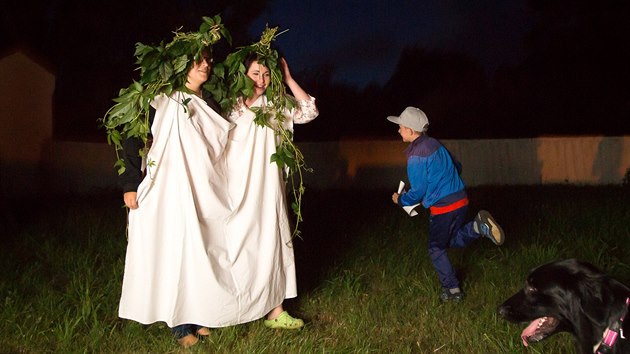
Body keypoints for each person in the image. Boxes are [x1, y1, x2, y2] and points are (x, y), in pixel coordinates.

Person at [118, 51, 234, 347]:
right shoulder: (161, 100)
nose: (206, 65)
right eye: (198, 60)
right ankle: (181, 323)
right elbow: (132, 137)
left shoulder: (210, 103)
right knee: (175, 248)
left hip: (205, 186)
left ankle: (200, 312)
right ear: (181, 65)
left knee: (203, 247)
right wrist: (131, 182)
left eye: (208, 60)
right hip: (168, 186)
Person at [222, 53, 318, 328]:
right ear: (244, 74)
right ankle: (238, 304)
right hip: (235, 186)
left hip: (269, 187)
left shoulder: (276, 104)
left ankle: (275, 310)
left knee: (272, 242)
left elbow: (309, 111)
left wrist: (287, 79)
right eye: (256, 74)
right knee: (238, 243)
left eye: (266, 74)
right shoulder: (230, 106)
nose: (262, 81)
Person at [388, 107, 505, 302]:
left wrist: (400, 199)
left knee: (436, 249)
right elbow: (457, 166)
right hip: (461, 200)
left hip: (444, 208)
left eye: (400, 127)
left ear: (410, 130)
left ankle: (452, 290)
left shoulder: (416, 155)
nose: (398, 131)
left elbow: (418, 191)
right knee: (450, 240)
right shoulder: (434, 143)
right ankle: (478, 226)